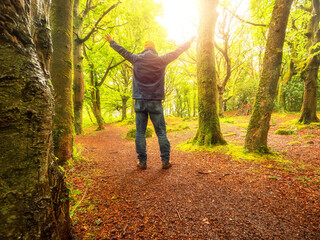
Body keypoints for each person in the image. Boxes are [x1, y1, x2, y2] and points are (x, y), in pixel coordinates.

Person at [105, 33, 195, 170]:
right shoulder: (161, 60)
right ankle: (165, 161)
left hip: (140, 101)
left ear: (145, 49)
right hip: (155, 101)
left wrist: (111, 41)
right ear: (154, 49)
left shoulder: (136, 59)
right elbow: (177, 52)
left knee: (140, 133)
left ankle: (142, 162)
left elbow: (122, 51)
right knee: (161, 133)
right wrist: (189, 42)